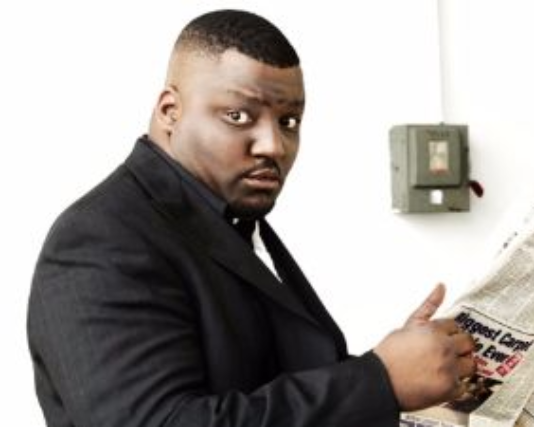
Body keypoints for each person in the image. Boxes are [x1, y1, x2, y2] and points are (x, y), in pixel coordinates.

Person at [27, 9, 475, 427]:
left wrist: (406, 370)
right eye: (238, 116)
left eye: (289, 121)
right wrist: (378, 381)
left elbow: (272, 381)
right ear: (170, 112)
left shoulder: (228, 220)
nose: (273, 145)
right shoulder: (100, 239)